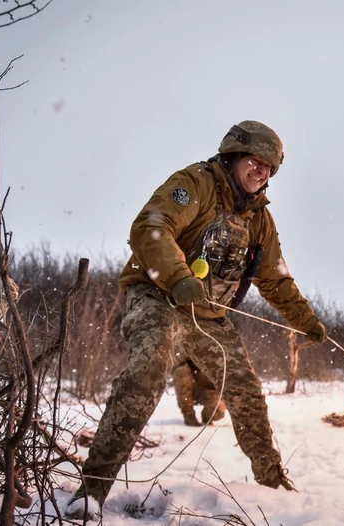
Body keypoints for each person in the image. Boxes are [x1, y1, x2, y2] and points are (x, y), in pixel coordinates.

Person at [66, 120, 327, 519]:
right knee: (149, 370)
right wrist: (178, 277)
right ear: (234, 155)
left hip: (209, 317)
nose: (261, 171)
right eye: (255, 161)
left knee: (246, 393)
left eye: (269, 167)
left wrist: (305, 320)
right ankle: (92, 489)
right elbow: (152, 226)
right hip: (158, 296)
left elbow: (275, 279)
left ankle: (274, 485)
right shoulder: (195, 183)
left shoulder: (259, 219)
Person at [172, 352, 226, 426]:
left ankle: (207, 417)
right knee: (181, 371)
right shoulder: (190, 347)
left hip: (208, 391)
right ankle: (188, 414)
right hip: (191, 386)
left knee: (219, 409)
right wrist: (187, 353)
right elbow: (173, 364)